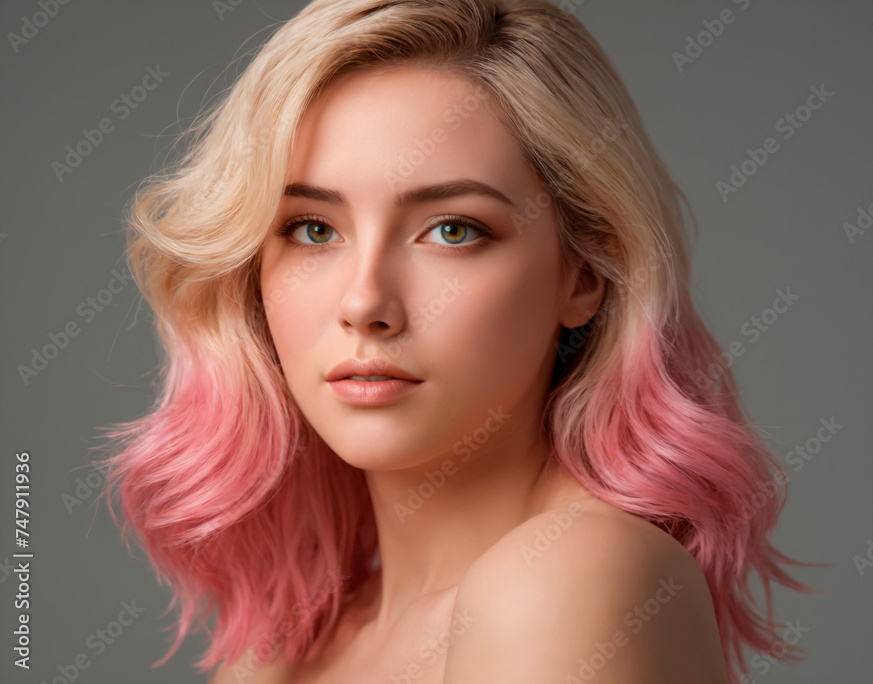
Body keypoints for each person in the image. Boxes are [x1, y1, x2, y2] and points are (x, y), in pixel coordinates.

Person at [98, 0, 819, 682]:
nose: (364, 303)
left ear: (585, 274)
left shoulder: (570, 577)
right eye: (313, 230)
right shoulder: (286, 648)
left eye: (453, 229)